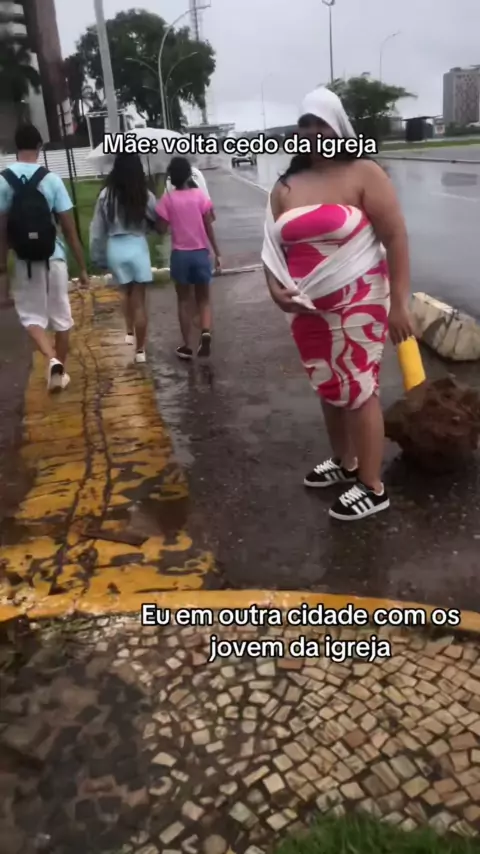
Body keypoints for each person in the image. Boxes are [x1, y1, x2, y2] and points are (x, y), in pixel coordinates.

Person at [262, 87, 413, 522]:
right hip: (307, 308)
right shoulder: (286, 186)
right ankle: (346, 463)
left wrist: (400, 303)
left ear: (338, 128)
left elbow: (395, 237)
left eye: (321, 123)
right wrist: (274, 289)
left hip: (360, 301)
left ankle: (372, 486)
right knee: (328, 385)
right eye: (304, 124)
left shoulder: (364, 172)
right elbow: (272, 250)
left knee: (359, 388)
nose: (312, 131)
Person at [0, 124, 89, 392]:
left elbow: (1, 231)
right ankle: (58, 369)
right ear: (39, 147)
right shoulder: (51, 180)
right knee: (62, 318)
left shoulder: (3, 181)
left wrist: (3, 268)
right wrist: (82, 268)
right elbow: (69, 229)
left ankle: (52, 361)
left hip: (25, 262)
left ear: (16, 147)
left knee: (31, 318)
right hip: (55, 256)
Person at [89, 153, 157, 364]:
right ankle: (140, 350)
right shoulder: (144, 194)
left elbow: (97, 230)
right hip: (137, 246)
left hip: (115, 247)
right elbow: (156, 218)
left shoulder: (105, 195)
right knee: (140, 301)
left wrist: (98, 257)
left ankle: (128, 331)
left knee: (124, 292)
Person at [155, 156, 221, 360]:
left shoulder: (168, 199)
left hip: (180, 256)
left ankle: (187, 346)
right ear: (188, 175)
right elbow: (209, 224)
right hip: (200, 253)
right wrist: (217, 252)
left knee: (183, 300)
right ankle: (206, 332)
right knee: (204, 299)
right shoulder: (199, 196)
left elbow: (161, 229)